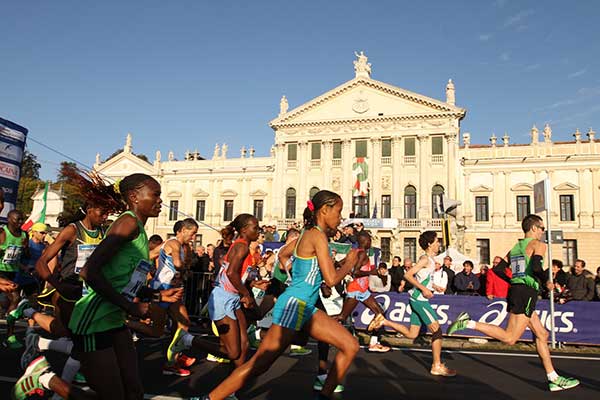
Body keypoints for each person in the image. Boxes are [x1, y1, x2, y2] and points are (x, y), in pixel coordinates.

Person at [197, 190, 360, 400]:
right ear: (324, 210)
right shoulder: (317, 235)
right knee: (259, 365)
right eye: (338, 211)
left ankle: (325, 394)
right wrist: (349, 262)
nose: (341, 217)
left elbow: (283, 253)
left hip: (305, 306)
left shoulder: (306, 234)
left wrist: (290, 268)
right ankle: (209, 398)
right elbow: (331, 280)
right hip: (295, 305)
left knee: (350, 345)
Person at [448, 214, 580, 392]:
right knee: (510, 338)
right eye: (542, 228)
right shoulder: (538, 245)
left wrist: (515, 280)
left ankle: (553, 378)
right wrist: (545, 281)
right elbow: (535, 267)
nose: (543, 232)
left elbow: (499, 269)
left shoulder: (517, 247)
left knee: (542, 335)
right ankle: (468, 322)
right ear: (534, 228)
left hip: (519, 291)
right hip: (526, 293)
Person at [169, 214, 262, 373]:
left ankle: (233, 387)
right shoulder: (242, 246)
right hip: (223, 298)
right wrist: (245, 293)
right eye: (255, 227)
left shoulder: (240, 245)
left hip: (232, 297)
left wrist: (253, 283)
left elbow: (233, 273)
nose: (258, 230)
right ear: (244, 230)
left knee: (244, 344)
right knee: (232, 352)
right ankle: (187, 339)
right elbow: (232, 273)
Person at [335, 230, 390, 353]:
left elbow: (339, 263)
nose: (371, 242)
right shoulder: (362, 254)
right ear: (365, 242)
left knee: (379, 313)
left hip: (363, 290)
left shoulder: (353, 252)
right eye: (370, 240)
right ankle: (321, 328)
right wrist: (371, 272)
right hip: (356, 290)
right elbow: (356, 272)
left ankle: (374, 343)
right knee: (342, 317)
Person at [1, 209, 28, 348]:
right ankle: (9, 333)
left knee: (14, 300)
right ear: (9, 219)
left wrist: (25, 267)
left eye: (22, 219)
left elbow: (22, 256)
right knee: (15, 298)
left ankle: (10, 336)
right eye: (17, 219)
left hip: (12, 273)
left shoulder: (24, 235)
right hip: (0, 273)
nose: (20, 222)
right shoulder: (2, 233)